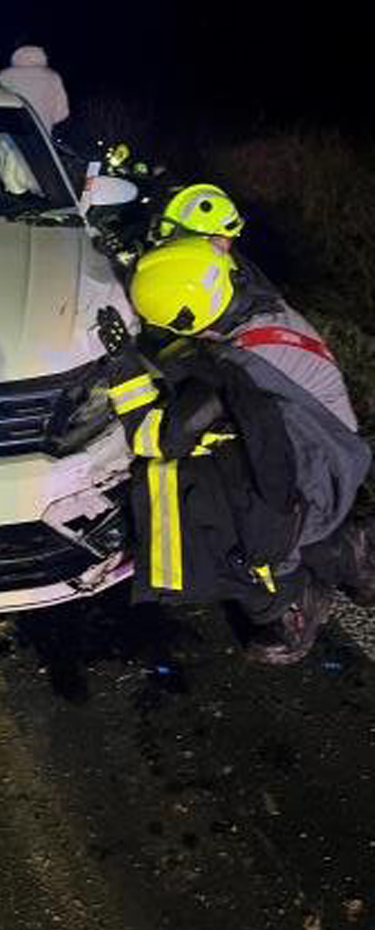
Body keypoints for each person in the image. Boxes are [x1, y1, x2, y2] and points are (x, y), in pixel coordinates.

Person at [98, 237, 373, 665]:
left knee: (223, 512)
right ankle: (352, 556)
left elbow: (156, 436)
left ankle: (287, 606)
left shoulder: (234, 369)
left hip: (314, 484)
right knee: (268, 487)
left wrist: (122, 364)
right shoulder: (262, 306)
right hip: (338, 453)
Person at [0, 45, 70, 132]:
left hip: (9, 129)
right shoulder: (52, 77)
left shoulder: (4, 75)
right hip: (41, 130)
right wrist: (46, 120)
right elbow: (62, 111)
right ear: (43, 57)